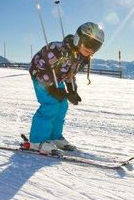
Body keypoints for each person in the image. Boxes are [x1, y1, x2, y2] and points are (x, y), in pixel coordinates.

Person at [28, 22, 104, 154]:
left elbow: (70, 74)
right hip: (41, 77)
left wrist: (72, 90)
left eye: (96, 46)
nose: (91, 49)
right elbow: (39, 68)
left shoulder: (82, 57)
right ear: (78, 39)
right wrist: (51, 88)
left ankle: (55, 137)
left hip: (58, 79)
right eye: (89, 43)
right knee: (50, 105)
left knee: (62, 105)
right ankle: (37, 141)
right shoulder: (57, 49)